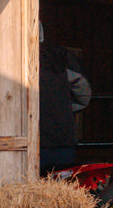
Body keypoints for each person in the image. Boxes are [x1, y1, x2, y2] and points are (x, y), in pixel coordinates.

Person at [38, 29, 92, 176]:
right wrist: (63, 107)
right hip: (61, 138)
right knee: (61, 188)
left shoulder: (10, 58)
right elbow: (83, 94)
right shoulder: (60, 56)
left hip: (27, 140)